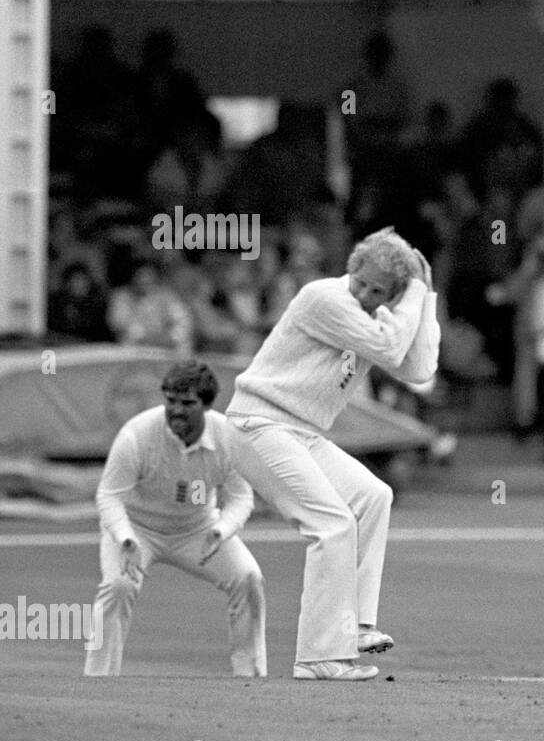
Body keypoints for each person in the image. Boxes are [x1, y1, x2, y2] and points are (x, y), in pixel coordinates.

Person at [225, 227, 440, 681]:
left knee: (373, 496)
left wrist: (424, 298)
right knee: (333, 524)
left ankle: (358, 626)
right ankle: (318, 656)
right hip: (257, 423)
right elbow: (388, 345)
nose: (363, 293)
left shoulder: (378, 319)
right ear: (351, 267)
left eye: (377, 291)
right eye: (360, 280)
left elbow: (418, 368)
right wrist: (412, 292)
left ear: (391, 296)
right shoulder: (324, 298)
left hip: (300, 431)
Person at [85, 362, 264, 677]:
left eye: (187, 403)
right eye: (171, 401)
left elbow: (240, 497)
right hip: (136, 529)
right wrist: (126, 539)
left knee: (248, 577)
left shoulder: (227, 437)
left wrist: (222, 531)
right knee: (118, 586)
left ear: (207, 405)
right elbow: (109, 496)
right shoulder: (137, 435)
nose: (176, 411)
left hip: (199, 530)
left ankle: (250, 676)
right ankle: (98, 680)